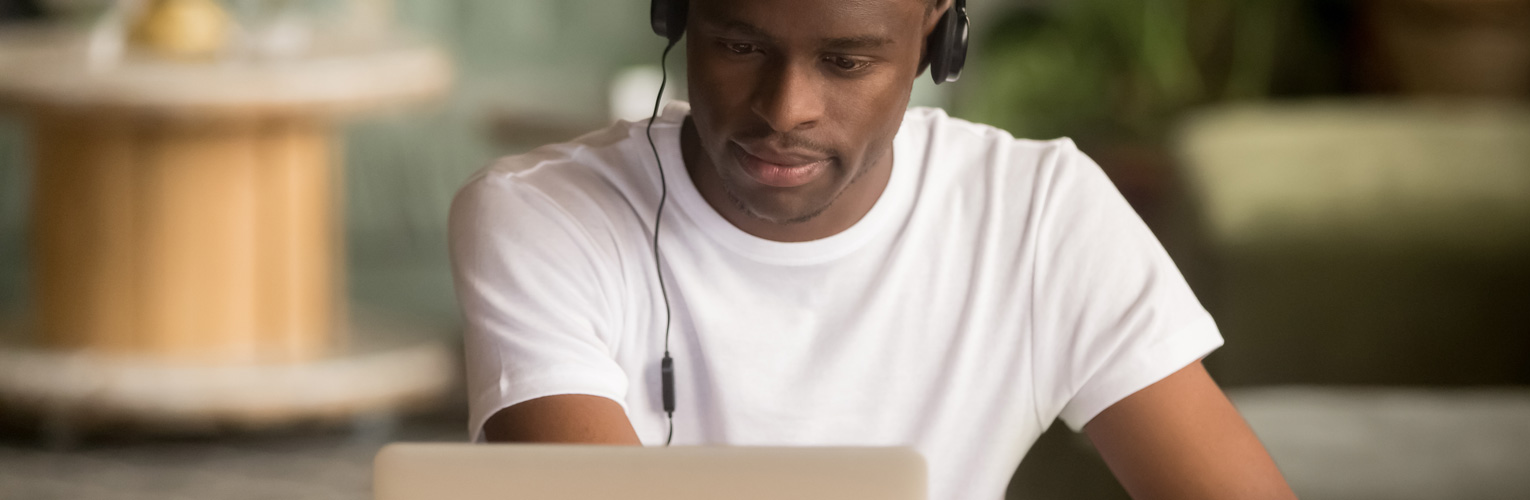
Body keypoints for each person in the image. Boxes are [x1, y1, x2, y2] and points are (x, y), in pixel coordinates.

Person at [448, 0, 1296, 498]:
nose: (787, 110)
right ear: (677, 16)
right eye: (741, 47)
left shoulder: (1038, 214)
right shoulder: (543, 216)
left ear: (936, 36)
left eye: (846, 62)